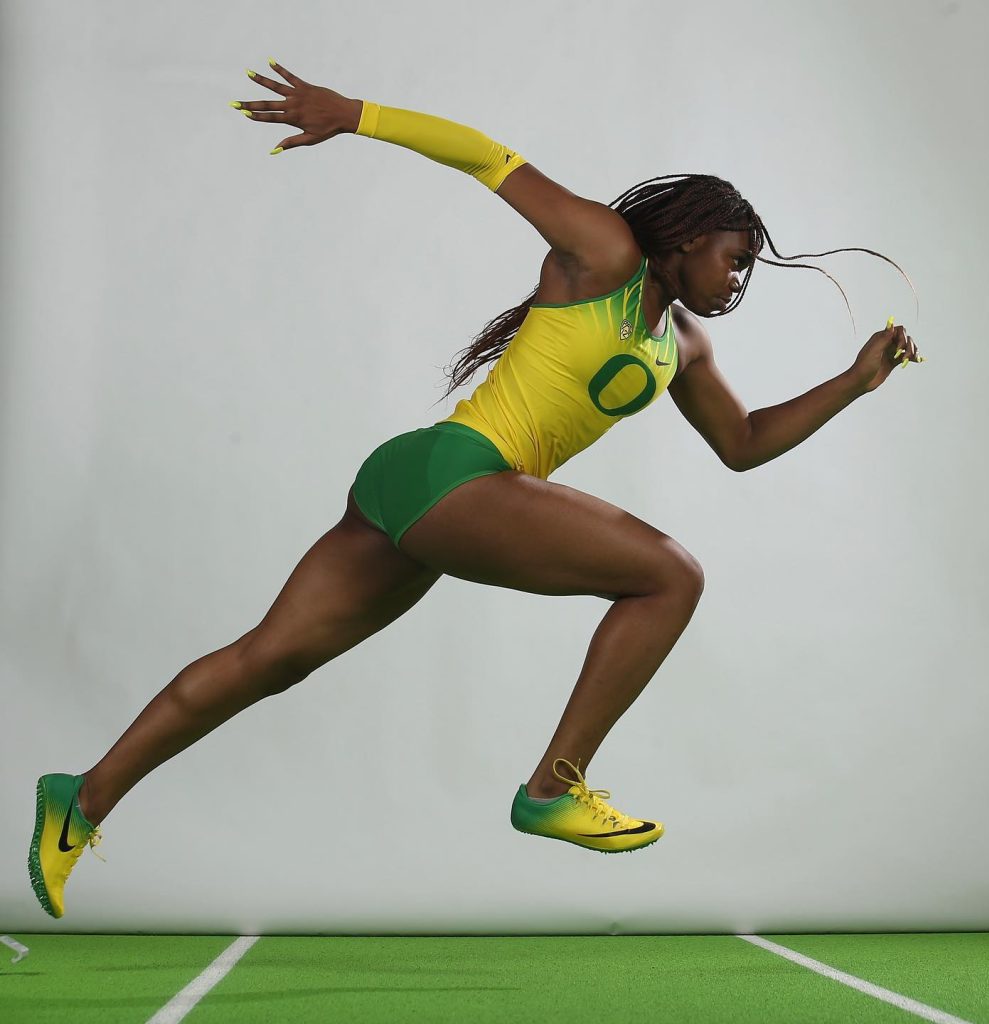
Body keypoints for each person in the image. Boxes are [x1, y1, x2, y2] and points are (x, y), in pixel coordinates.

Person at [29, 60, 921, 919]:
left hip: (421, 487)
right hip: (454, 473)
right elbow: (488, 155)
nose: (738, 281)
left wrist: (853, 380)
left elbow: (745, 442)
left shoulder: (681, 343)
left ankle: (82, 796)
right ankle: (551, 790)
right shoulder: (603, 255)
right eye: (733, 259)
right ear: (687, 238)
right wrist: (356, 115)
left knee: (271, 659)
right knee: (671, 575)